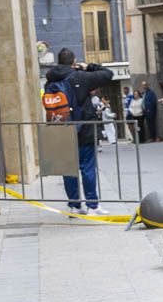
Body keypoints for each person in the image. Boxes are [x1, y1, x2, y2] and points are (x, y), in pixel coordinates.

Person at [45, 48, 115, 216]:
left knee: (68, 169)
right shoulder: (80, 77)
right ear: (73, 61)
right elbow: (108, 74)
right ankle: (92, 205)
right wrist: (88, 66)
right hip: (83, 130)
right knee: (87, 167)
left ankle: (74, 205)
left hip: (61, 131)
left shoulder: (50, 80)